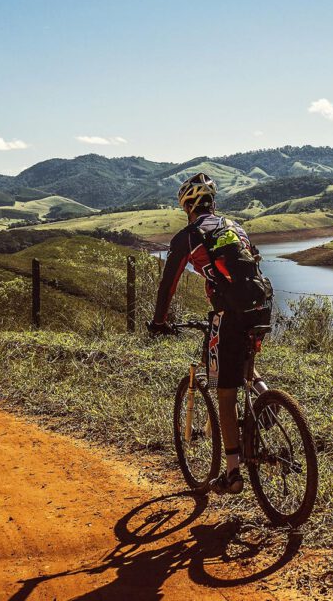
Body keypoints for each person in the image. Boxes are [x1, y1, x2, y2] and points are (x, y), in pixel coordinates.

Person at [147, 172, 272, 495]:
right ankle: (268, 400)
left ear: (187, 207)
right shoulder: (234, 227)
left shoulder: (188, 237)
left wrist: (159, 321)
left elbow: (168, 285)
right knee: (244, 367)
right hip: (261, 305)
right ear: (212, 203)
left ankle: (231, 473)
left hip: (229, 314)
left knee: (225, 392)